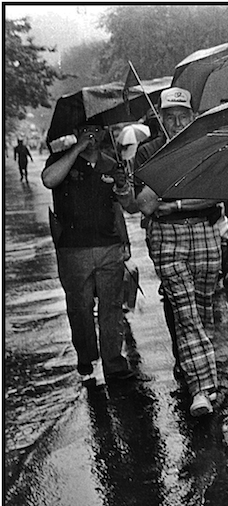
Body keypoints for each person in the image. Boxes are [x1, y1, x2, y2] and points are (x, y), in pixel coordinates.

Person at [132, 88, 224, 417]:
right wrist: (169, 163)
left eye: (182, 116)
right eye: (169, 116)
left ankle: (203, 374)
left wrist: (176, 203)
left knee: (202, 309)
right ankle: (202, 388)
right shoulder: (148, 152)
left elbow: (215, 196)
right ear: (160, 118)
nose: (176, 122)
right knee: (184, 310)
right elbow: (144, 204)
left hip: (204, 230)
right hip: (166, 236)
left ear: (192, 116)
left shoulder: (206, 146)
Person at [41, 123, 133, 385]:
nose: (92, 136)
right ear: (76, 132)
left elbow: (124, 205)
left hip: (108, 245)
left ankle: (114, 362)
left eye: (96, 130)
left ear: (105, 132)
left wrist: (123, 187)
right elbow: (49, 180)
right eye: (85, 130)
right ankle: (86, 355)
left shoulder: (110, 162)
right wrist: (78, 148)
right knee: (80, 307)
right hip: (73, 249)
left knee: (112, 306)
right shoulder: (61, 160)